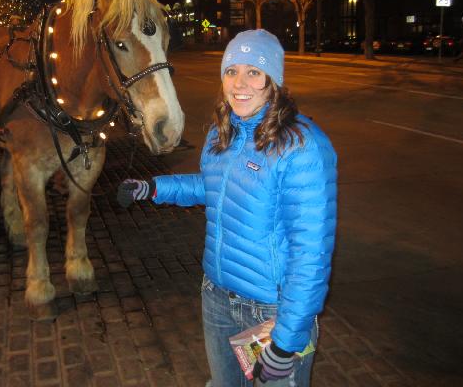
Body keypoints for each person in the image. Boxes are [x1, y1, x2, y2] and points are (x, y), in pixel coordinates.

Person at [117, 29, 337, 386]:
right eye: (232, 70)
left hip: (271, 313)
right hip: (217, 297)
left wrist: (286, 343)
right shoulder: (224, 132)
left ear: (273, 81)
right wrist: (153, 187)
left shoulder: (300, 146)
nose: (240, 83)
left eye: (254, 71)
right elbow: (214, 187)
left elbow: (310, 254)